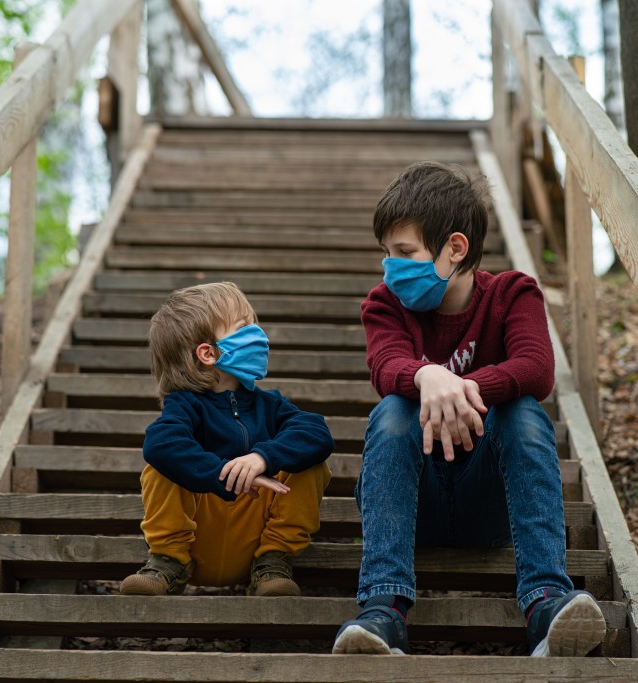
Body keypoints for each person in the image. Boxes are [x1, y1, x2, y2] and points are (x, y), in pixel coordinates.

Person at [332, 162, 606, 657]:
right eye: (386, 255)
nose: (390, 268)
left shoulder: (512, 294)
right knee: (392, 411)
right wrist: (424, 375)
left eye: (404, 253)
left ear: (454, 248)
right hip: (416, 505)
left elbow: (537, 369)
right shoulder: (385, 303)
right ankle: (383, 611)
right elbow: (384, 366)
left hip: (491, 503)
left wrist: (456, 387)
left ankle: (546, 601)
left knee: (523, 413)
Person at [120, 282, 334, 598]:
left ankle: (274, 562)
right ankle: (167, 563)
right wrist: (224, 475)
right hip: (195, 540)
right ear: (208, 353)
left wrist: (262, 458)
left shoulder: (270, 404)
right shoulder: (185, 405)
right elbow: (160, 444)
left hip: (258, 534)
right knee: (160, 466)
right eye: (245, 326)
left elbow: (317, 433)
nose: (259, 334)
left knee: (310, 461)